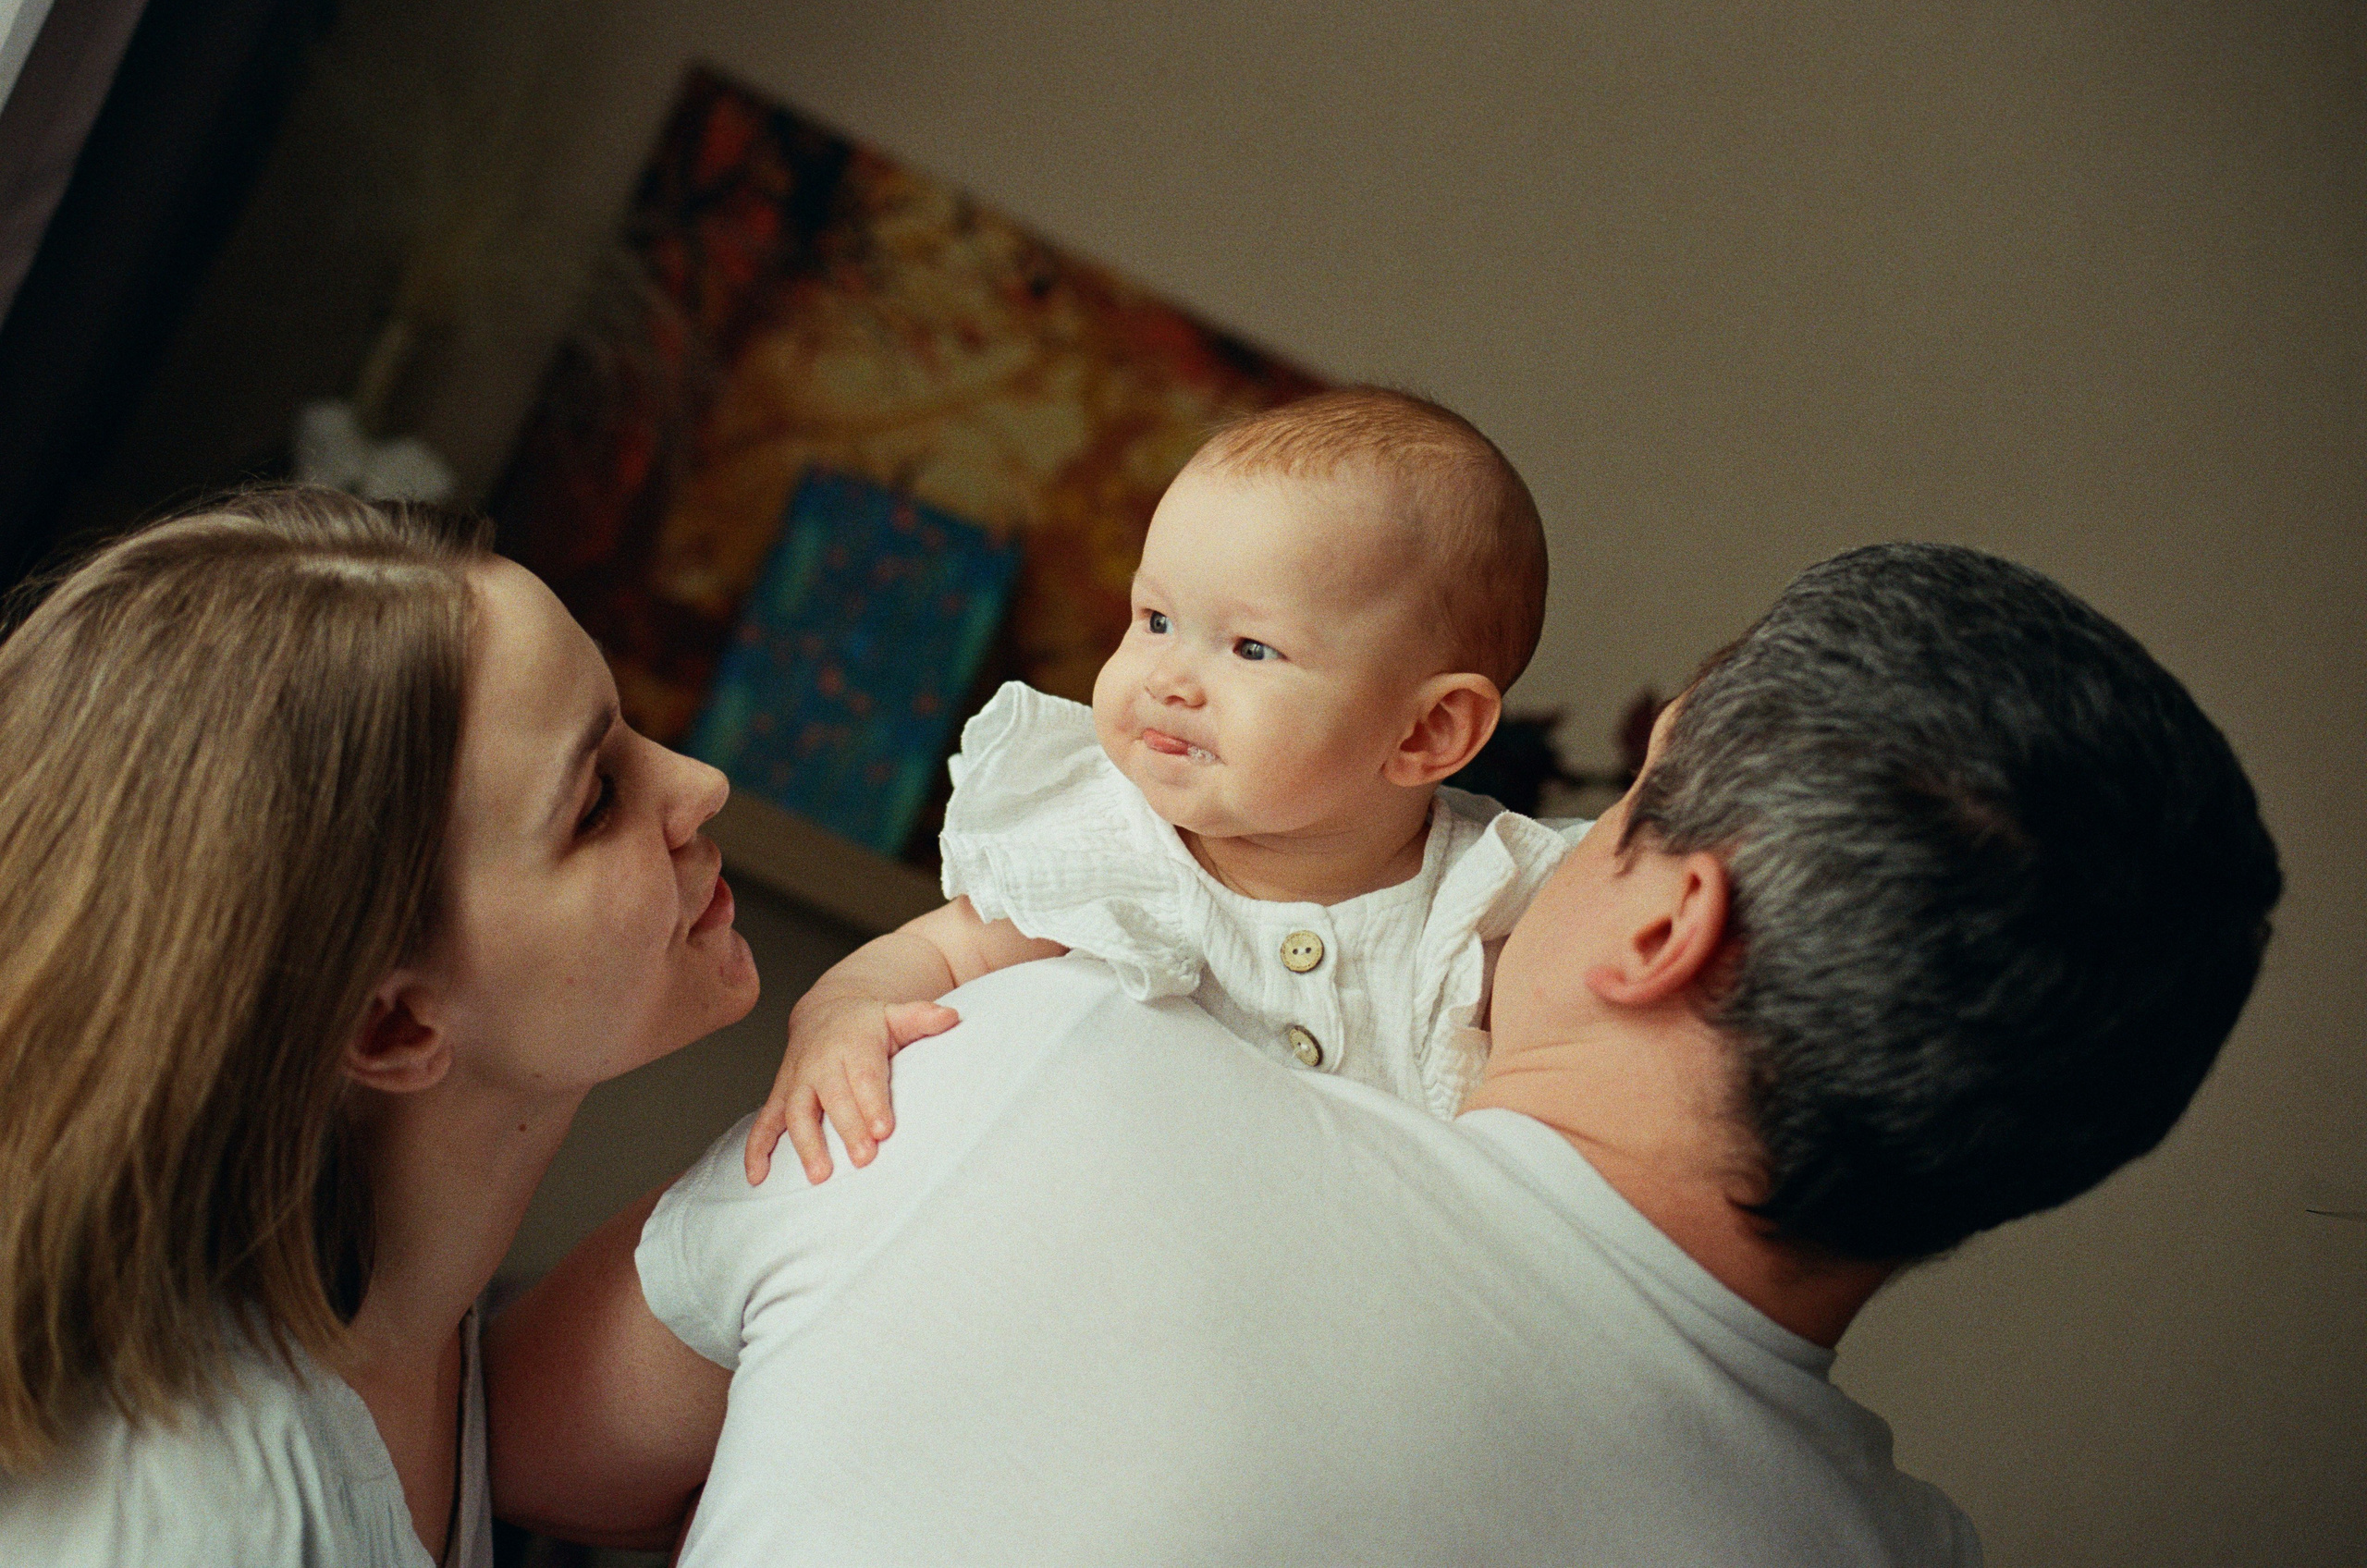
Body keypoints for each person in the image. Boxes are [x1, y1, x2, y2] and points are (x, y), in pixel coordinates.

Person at [491, 540, 2279, 1565]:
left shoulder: (1035, 1051)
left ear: (1665, 930)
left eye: (1623, 799)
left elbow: (528, 1455)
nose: (1549, 836)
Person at [0, 487, 760, 1565]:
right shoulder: (207, 1521)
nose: (700, 785)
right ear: (394, 1026)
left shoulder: (418, 1329)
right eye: (595, 800)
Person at [749, 386, 1570, 1186]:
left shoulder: (1488, 908)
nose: (1169, 677)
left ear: (1428, 731)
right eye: (1156, 619)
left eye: (1250, 647)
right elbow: (929, 952)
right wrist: (842, 1015)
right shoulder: (1106, 847)